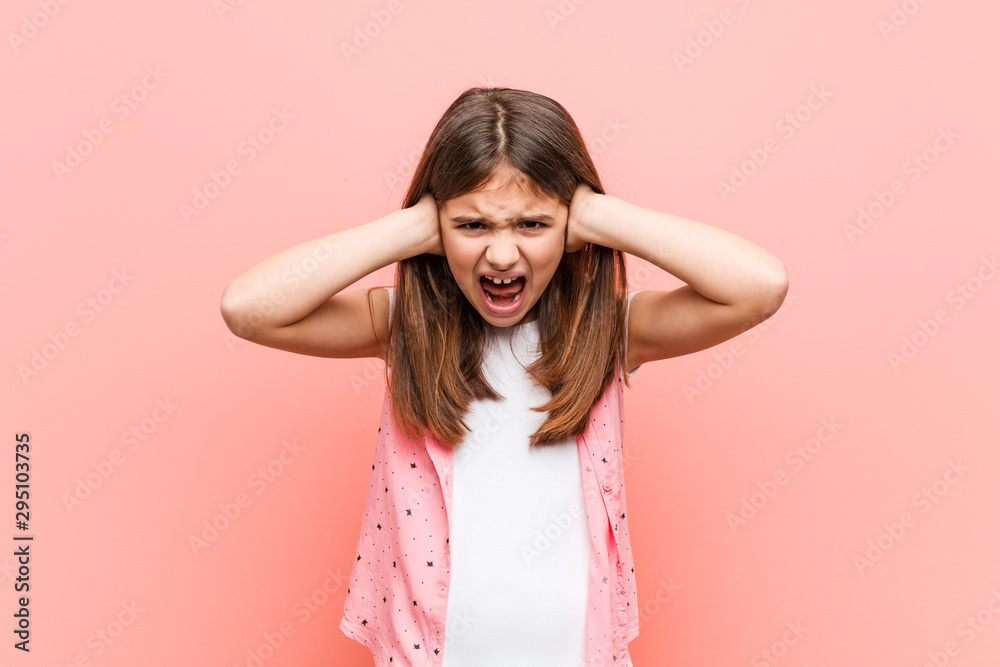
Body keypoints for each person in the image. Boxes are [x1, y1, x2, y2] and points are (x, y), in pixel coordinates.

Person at [220, 87, 788, 667]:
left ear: (571, 228)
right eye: (471, 225)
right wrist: (414, 227)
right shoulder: (405, 328)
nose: (500, 255)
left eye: (533, 223)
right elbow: (249, 308)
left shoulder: (609, 333)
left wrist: (595, 212)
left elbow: (759, 287)